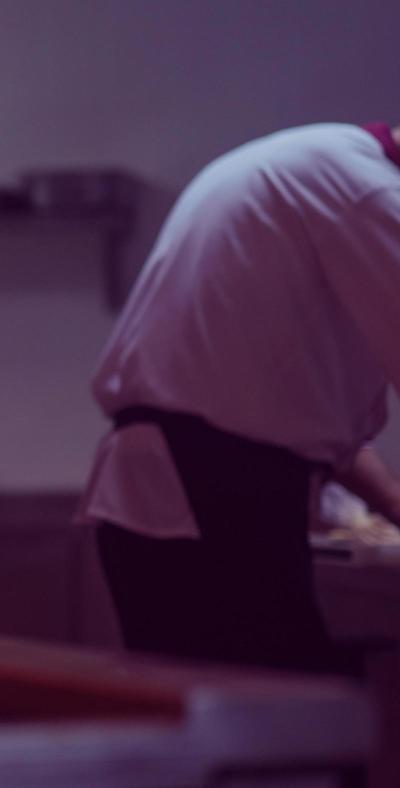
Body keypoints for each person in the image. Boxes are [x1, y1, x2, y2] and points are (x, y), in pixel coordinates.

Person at [80, 121, 400, 673]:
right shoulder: (365, 188)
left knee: (233, 722)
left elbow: (298, 406)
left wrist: (392, 504)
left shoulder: (313, 160)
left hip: (178, 489)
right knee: (274, 722)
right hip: (208, 492)